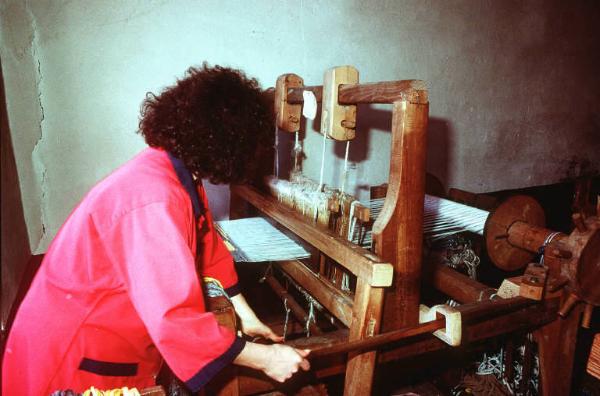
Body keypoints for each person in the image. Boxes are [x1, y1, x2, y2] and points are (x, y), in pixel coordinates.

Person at [2, 64, 310, 395]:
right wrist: (266, 359)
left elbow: (207, 244)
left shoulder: (175, 170)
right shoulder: (155, 198)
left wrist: (245, 315)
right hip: (73, 352)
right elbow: (174, 319)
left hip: (93, 326)